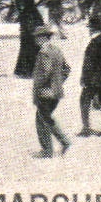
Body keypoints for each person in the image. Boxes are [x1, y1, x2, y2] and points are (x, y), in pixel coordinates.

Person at [31, 26, 72, 158]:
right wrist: (58, 83)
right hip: (56, 92)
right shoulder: (56, 50)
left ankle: (50, 149)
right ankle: (56, 145)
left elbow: (46, 72)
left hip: (45, 92)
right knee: (44, 117)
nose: (35, 40)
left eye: (37, 37)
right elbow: (67, 69)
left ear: (43, 38)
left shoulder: (44, 52)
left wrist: (39, 87)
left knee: (43, 119)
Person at [78, 29, 101, 137]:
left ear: (93, 29)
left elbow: (88, 62)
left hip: (93, 78)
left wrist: (84, 77)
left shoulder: (93, 43)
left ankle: (86, 128)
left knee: (84, 101)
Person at [14, 0, 45, 78]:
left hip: (27, 36)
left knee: (25, 52)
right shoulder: (34, 11)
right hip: (33, 36)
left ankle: (24, 71)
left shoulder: (24, 12)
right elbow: (40, 23)